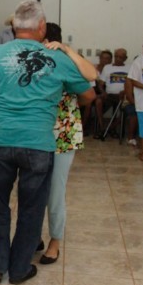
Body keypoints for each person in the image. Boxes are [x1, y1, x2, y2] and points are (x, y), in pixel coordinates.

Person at [0, 1, 94, 285]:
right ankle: (20, 268)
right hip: (38, 144)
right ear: (42, 27)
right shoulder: (58, 59)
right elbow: (88, 96)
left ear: (13, 27)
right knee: (32, 207)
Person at [40, 23, 97, 263]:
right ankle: (34, 236)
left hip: (62, 135)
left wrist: (67, 50)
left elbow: (91, 86)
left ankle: (55, 240)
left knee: (55, 190)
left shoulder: (67, 61)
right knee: (33, 190)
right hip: (36, 135)